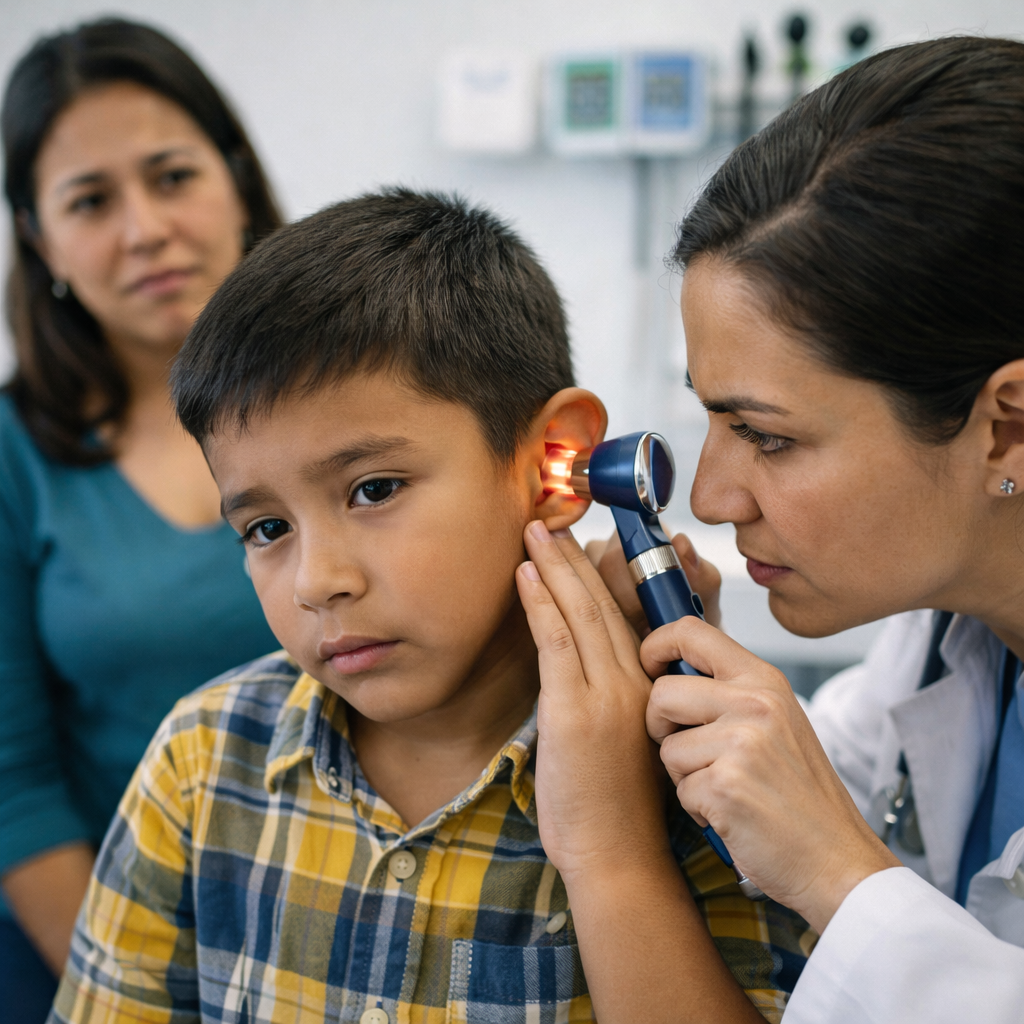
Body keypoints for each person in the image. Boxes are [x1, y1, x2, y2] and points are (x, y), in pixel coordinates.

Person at [50, 190, 810, 1024]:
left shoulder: (706, 785)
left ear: (556, 459)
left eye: (373, 489)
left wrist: (614, 855)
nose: (316, 580)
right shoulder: (199, 767)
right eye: (266, 527)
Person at [516, 35, 1024, 1023]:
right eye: (708, 417)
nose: (708, 497)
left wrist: (841, 873)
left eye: (768, 437)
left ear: (1005, 425)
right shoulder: (947, 646)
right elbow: (797, 788)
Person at [0, 19, 283, 1018]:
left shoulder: (361, 395)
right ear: (40, 241)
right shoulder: (13, 454)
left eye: (171, 176)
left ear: (235, 176)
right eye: (90, 200)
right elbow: (13, 783)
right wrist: (134, 994)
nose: (144, 229)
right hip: (98, 956)